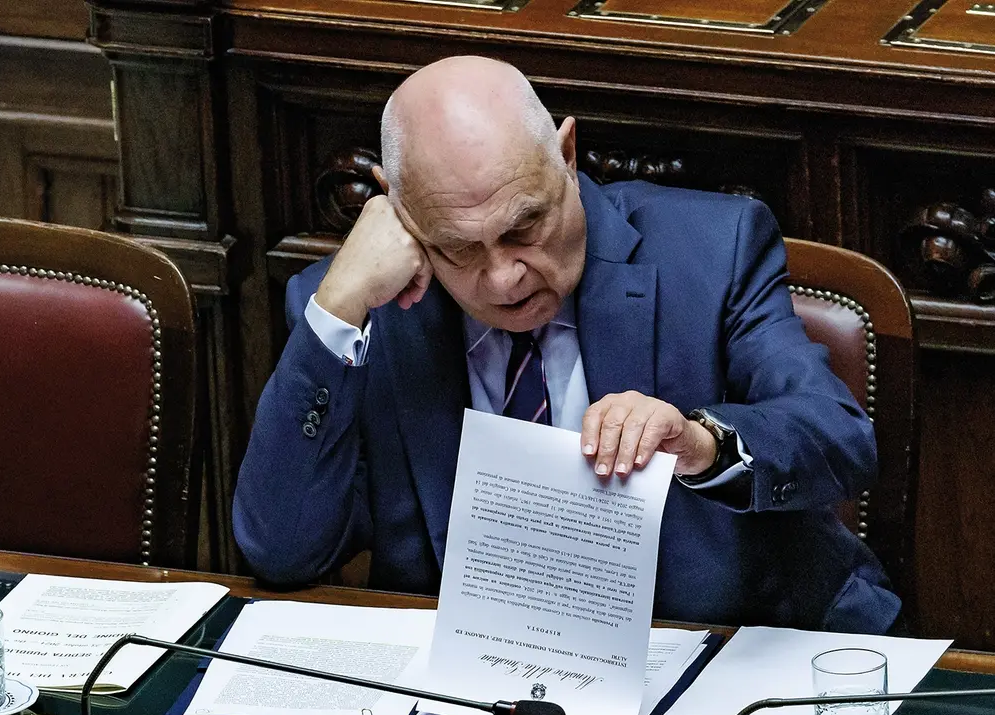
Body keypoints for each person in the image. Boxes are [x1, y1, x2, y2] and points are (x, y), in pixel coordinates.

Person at [233, 56, 900, 633]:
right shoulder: (362, 309)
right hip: (488, 687)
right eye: (459, 248)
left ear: (566, 155)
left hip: (725, 651)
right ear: (394, 209)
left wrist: (702, 442)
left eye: (524, 227)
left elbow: (838, 438)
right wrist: (334, 313)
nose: (502, 277)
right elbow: (281, 550)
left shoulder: (712, 249)